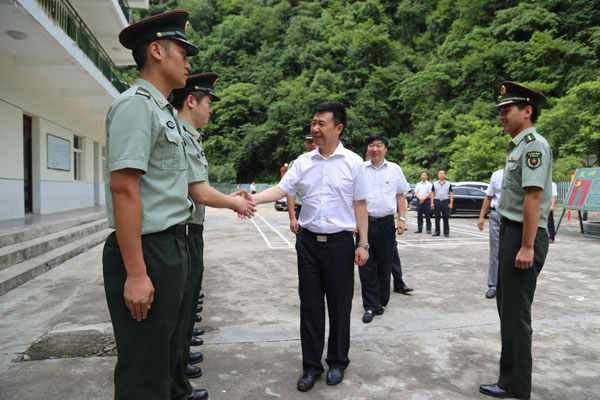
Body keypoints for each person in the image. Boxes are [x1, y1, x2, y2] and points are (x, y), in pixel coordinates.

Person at [102, 10, 207, 400]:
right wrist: (135, 274)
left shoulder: (161, 110)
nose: (188, 62)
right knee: (145, 372)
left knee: (167, 356)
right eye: (183, 51)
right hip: (149, 249)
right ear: (157, 51)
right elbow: (124, 190)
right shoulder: (136, 106)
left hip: (171, 245)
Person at [251, 101, 369, 392]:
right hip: (308, 244)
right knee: (311, 306)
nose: (315, 128)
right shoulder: (302, 162)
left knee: (340, 306)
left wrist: (363, 243)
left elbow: (360, 204)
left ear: (338, 128)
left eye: (321, 124)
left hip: (340, 243)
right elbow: (281, 189)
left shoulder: (353, 162)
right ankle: (311, 367)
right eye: (313, 123)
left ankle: (338, 362)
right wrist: (251, 199)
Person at [171, 73, 255, 397]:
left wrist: (230, 200)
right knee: (179, 311)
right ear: (191, 101)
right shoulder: (179, 135)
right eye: (208, 102)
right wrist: (236, 203)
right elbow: (200, 192)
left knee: (187, 306)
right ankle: (177, 380)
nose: (211, 110)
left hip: (191, 230)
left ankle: (180, 367)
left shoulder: (190, 136)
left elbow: (200, 190)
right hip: (180, 232)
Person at [479, 81, 552, 400]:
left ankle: (516, 386)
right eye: (500, 110)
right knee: (507, 310)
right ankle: (509, 378)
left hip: (523, 235)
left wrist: (526, 246)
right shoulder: (518, 146)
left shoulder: (533, 146)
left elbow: (533, 198)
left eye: (507, 110)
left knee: (516, 314)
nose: (501, 116)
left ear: (527, 111)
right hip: (511, 231)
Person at [360, 134, 409, 323]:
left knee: (385, 264)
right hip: (364, 223)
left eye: (379, 145)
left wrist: (402, 218)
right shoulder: (360, 169)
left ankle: (381, 300)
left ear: (385, 148)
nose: (375, 149)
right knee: (365, 264)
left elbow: (400, 195)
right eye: (371, 145)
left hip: (386, 224)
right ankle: (370, 306)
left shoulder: (394, 169)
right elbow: (353, 198)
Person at [478, 169, 504, 299]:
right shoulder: (496, 175)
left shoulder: (522, 174)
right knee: (495, 252)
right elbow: (489, 197)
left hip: (515, 217)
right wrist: (481, 217)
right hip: (496, 215)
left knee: (512, 252)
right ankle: (493, 285)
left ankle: (509, 286)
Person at [287, 124, 317, 233]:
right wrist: (292, 218)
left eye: (315, 141)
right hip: (302, 210)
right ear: (305, 143)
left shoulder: (330, 162)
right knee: (302, 240)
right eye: (309, 141)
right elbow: (290, 192)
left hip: (323, 210)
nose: (312, 144)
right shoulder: (297, 164)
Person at [431, 169, 453, 237]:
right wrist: (432, 203)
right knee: (437, 217)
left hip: (445, 201)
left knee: (446, 217)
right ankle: (437, 232)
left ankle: (446, 232)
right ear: (438, 175)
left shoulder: (448, 184)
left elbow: (451, 194)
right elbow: (432, 193)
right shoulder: (434, 184)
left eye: (442, 173)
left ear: (445, 175)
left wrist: (451, 203)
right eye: (440, 173)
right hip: (437, 201)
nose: (441, 175)